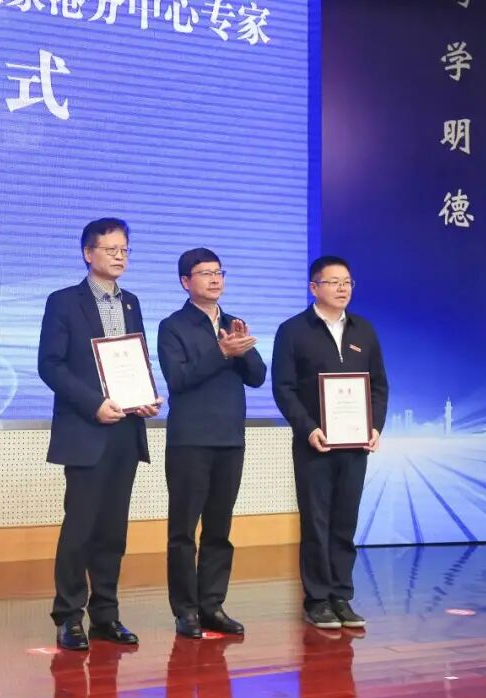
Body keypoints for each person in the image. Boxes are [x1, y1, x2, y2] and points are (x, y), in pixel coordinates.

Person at [38, 217, 161, 651]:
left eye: (125, 249)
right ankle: (69, 616)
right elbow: (50, 366)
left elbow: (133, 362)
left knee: (113, 529)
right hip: (87, 429)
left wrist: (144, 397)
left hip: (126, 430)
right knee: (81, 526)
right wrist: (94, 404)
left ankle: (106, 615)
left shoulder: (132, 303)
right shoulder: (64, 302)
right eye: (111, 249)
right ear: (88, 253)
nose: (120, 257)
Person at [271, 255, 388, 629]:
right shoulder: (293, 331)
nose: (342, 288)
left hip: (355, 444)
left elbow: (379, 385)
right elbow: (283, 389)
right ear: (313, 287)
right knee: (316, 521)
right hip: (315, 444)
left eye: (348, 282)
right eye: (334, 282)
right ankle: (317, 599)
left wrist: (375, 426)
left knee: (344, 521)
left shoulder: (363, 330)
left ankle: (341, 595)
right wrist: (308, 428)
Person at [157, 248, 266, 639]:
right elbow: (179, 379)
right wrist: (220, 351)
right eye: (205, 273)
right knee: (184, 531)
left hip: (230, 439)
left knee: (219, 529)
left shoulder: (233, 323)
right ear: (186, 282)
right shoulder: (173, 326)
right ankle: (185, 610)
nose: (215, 279)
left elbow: (257, 377)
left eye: (219, 272)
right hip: (189, 440)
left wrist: (242, 349)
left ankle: (212, 606)